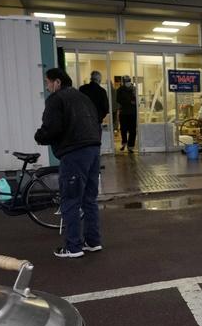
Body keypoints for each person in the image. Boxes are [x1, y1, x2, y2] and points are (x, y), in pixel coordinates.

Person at [35, 67, 103, 258]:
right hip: (93, 150)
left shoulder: (57, 99)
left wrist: (39, 136)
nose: (47, 87)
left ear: (57, 82)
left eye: (48, 82)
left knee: (71, 200)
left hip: (74, 153)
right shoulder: (83, 98)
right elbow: (96, 123)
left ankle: (73, 247)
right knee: (89, 199)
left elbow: (52, 128)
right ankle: (93, 241)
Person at [116, 76, 138, 152]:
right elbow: (118, 100)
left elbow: (136, 100)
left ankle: (130, 146)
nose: (127, 82)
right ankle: (125, 142)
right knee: (124, 129)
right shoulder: (120, 89)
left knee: (132, 130)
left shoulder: (134, 89)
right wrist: (130, 101)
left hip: (131, 112)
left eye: (128, 81)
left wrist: (131, 101)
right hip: (124, 112)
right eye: (126, 81)